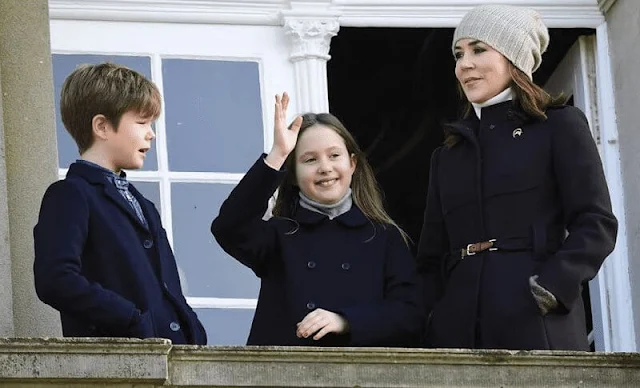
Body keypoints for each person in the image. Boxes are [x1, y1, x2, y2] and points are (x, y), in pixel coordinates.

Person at [417, 4, 617, 350]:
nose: (464, 64)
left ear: (514, 58)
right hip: (458, 330)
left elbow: (595, 222)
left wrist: (554, 286)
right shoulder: (446, 156)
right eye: (458, 53)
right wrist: (436, 311)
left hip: (535, 321)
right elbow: (430, 257)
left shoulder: (559, 126)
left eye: (479, 49)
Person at [211, 93, 423, 346]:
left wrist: (346, 321)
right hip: (284, 376)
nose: (325, 167)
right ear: (293, 175)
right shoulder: (279, 234)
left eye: (334, 156)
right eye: (310, 160)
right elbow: (229, 227)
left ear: (352, 164)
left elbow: (410, 314)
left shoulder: (384, 236)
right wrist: (277, 155)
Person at [33, 63, 207, 345]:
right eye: (141, 123)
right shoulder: (70, 194)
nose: (151, 133)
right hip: (116, 363)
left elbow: (167, 288)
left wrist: (192, 329)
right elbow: (56, 279)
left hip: (172, 360)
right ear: (102, 126)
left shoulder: (144, 205)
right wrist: (131, 318)